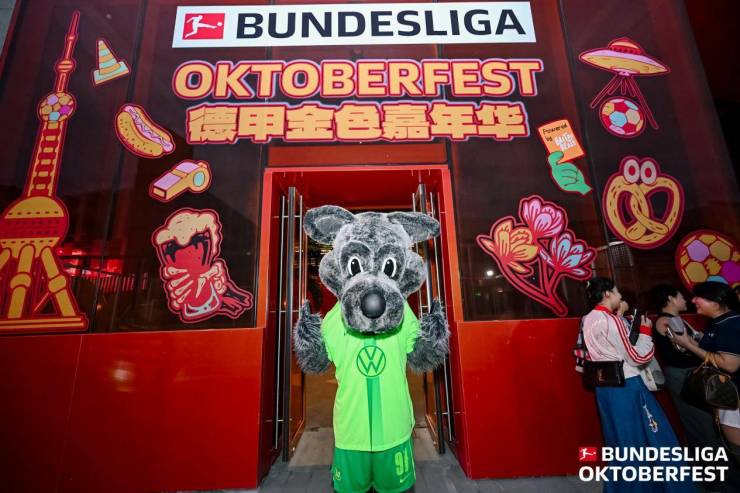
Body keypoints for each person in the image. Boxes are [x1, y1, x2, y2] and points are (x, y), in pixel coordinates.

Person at [582, 278, 695, 493]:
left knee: (621, 442)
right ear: (607, 294)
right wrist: (644, 332)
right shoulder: (611, 320)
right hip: (628, 386)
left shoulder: (588, 319)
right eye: (617, 292)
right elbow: (637, 358)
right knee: (654, 438)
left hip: (605, 389)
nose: (620, 297)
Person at [671, 281, 740, 488]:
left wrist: (688, 345)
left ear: (716, 302)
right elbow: (713, 351)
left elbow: (729, 364)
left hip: (734, 398)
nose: (693, 301)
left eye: (698, 297)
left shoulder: (731, 324)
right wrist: (691, 342)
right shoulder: (718, 323)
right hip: (726, 396)